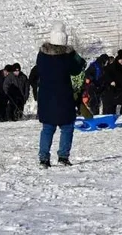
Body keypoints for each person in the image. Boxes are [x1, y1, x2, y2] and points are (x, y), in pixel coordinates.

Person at [36, 23, 86, 167]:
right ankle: (63, 157)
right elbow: (79, 68)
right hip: (64, 97)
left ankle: (44, 159)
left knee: (47, 128)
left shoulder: (41, 55)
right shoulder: (67, 57)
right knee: (67, 127)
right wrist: (73, 53)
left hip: (46, 97)